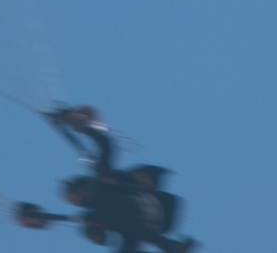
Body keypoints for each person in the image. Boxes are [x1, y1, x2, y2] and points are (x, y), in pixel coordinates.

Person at [13, 107, 198, 253]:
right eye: (77, 203)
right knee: (114, 229)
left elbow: (106, 145)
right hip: (149, 223)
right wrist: (38, 218)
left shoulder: (103, 180)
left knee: (116, 219)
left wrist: (84, 128)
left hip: (148, 206)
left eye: (78, 197)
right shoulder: (93, 214)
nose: (80, 203)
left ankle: (171, 247)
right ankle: (172, 247)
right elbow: (98, 234)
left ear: (83, 187)